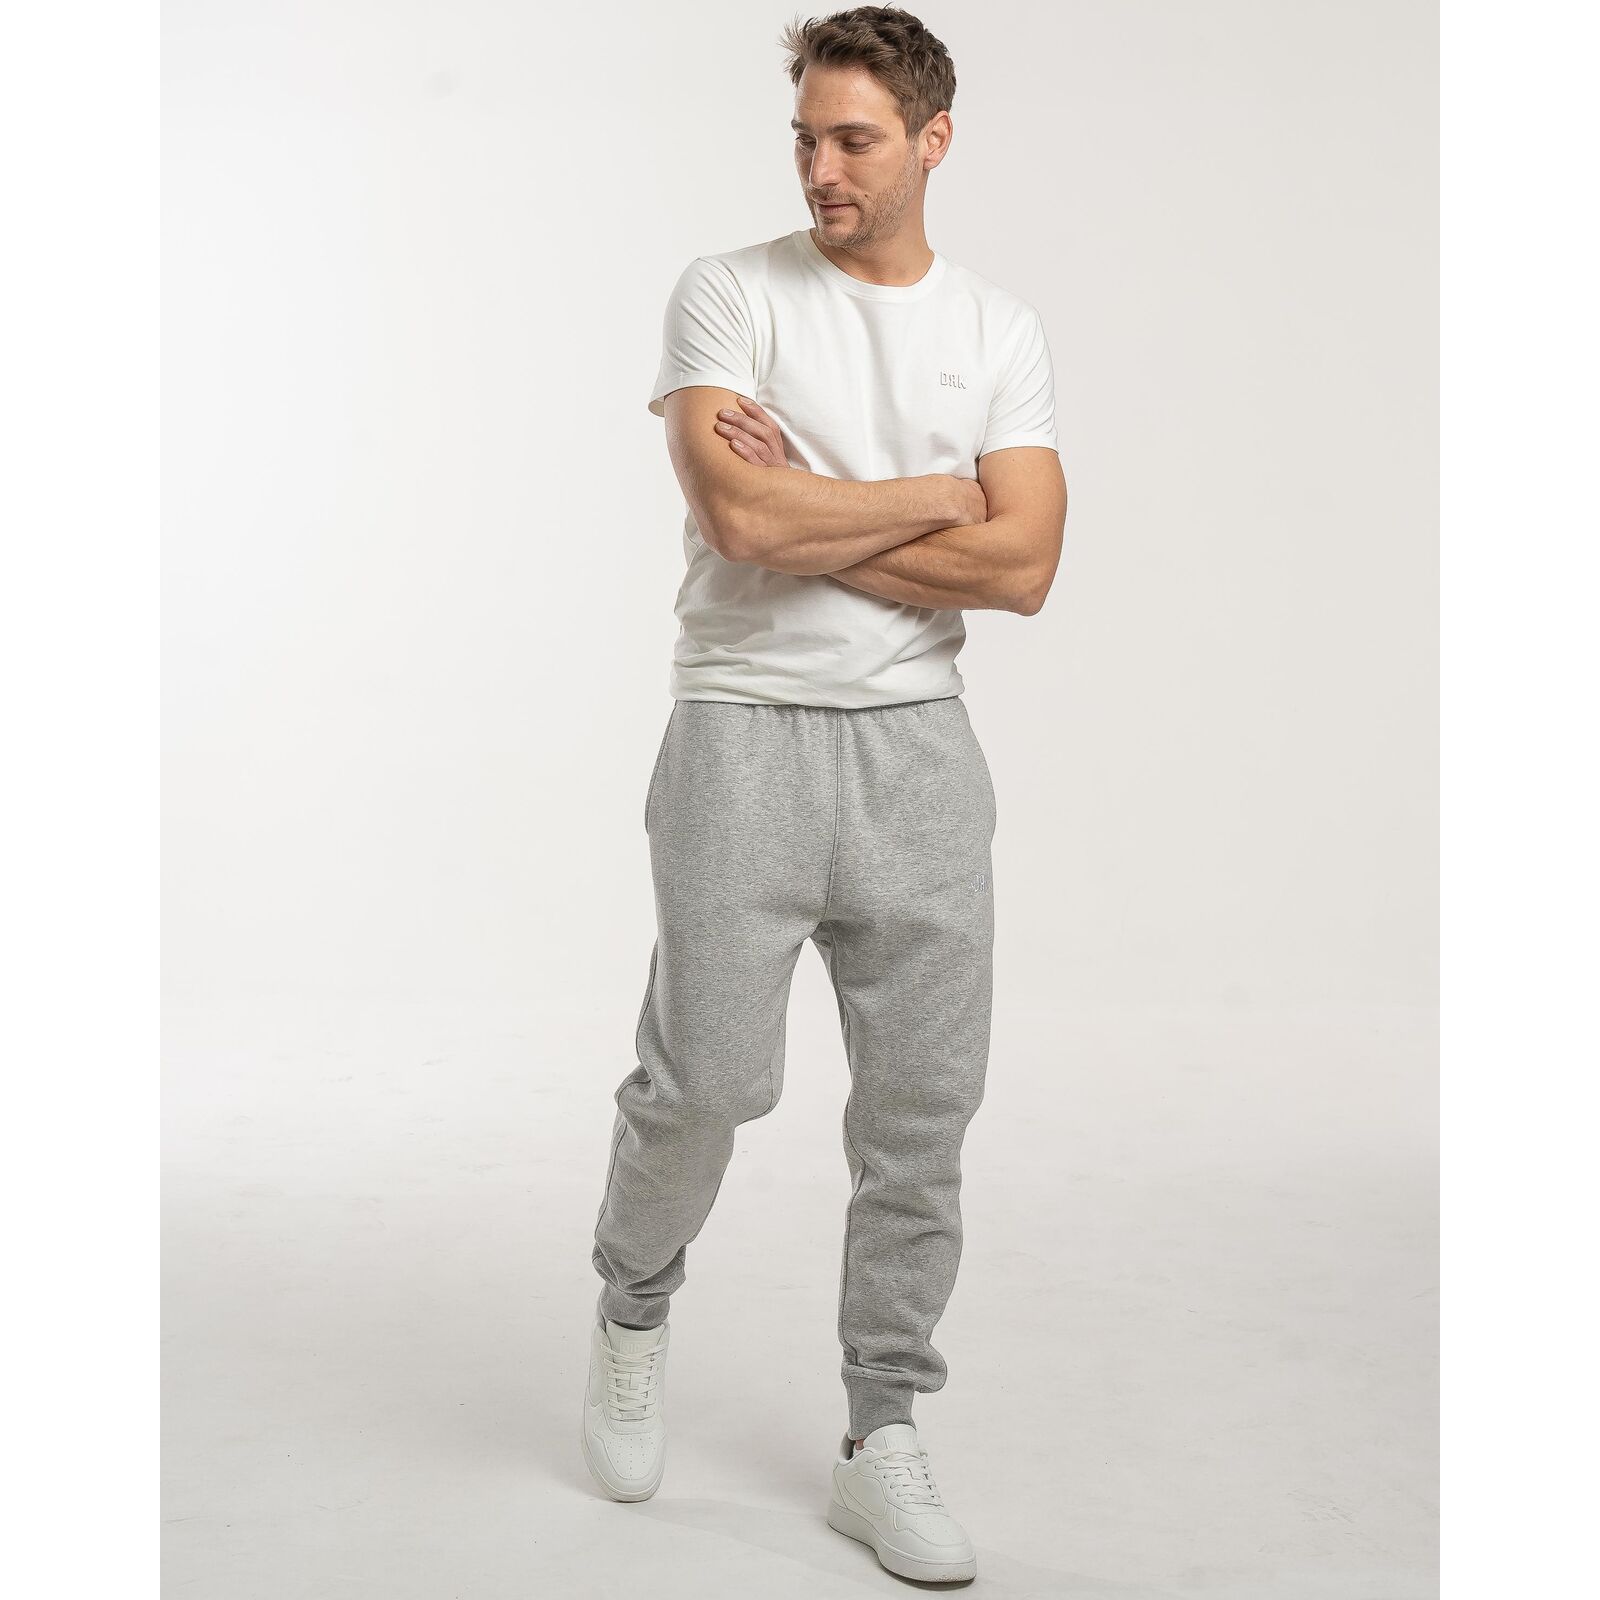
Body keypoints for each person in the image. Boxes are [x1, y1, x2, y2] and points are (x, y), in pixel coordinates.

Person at [581, 5, 1066, 1582]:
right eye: (805, 137)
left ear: (934, 140)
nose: (821, 167)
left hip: (920, 755)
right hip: (740, 739)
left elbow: (1027, 565)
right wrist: (936, 495)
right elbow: (741, 525)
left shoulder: (996, 331)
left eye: (855, 138)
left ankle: (882, 1435)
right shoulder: (729, 294)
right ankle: (631, 1307)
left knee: (922, 1115)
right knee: (708, 1085)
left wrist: (821, 498)